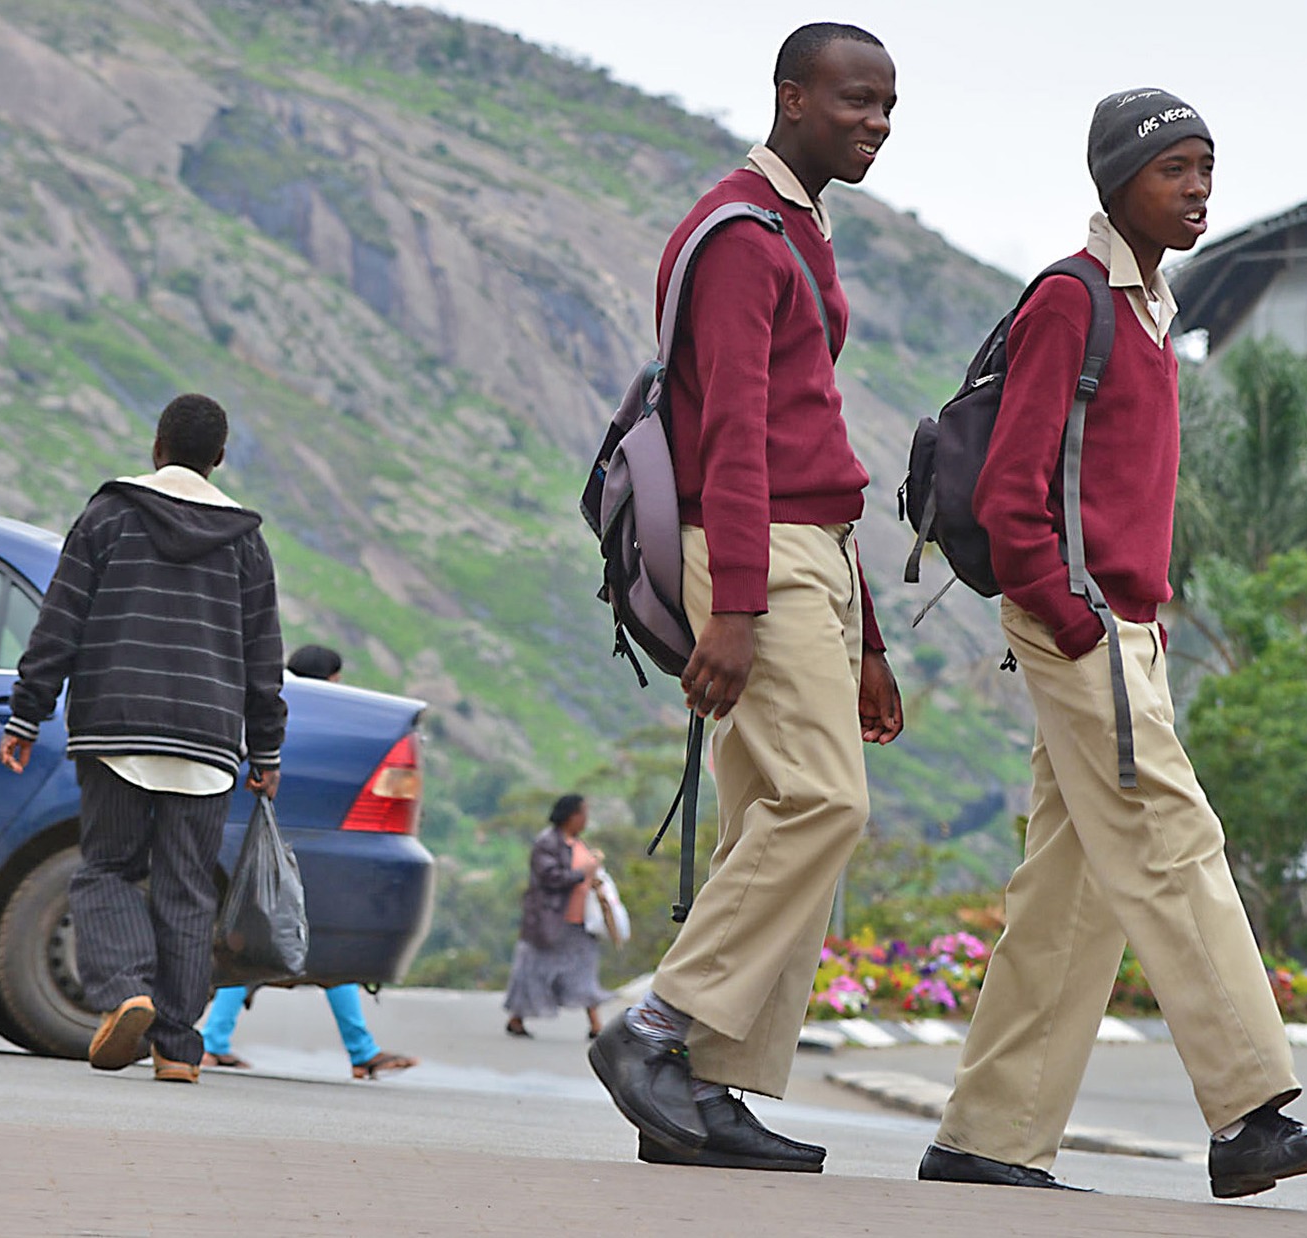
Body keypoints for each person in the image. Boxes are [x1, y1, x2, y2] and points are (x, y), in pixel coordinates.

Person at [920, 89, 1307, 1199]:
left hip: (1120, 625)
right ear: (1116, 181)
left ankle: (987, 1134)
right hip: (1083, 624)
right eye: (1176, 168)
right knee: (1175, 842)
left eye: (1208, 167)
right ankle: (1250, 1113)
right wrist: (1070, 615)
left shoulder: (1150, 307)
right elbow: (1014, 483)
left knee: (1071, 891)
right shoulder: (1074, 300)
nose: (1199, 188)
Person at [587, 22, 905, 1175]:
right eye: (852, 101)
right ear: (789, 99)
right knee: (825, 803)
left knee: (767, 819)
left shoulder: (797, 232)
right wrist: (731, 609)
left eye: (886, 106)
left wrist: (865, 633)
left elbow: (809, 439)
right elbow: (728, 427)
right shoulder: (738, 235)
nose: (872, 121)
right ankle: (654, 1027)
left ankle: (705, 1091)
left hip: (810, 550)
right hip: (755, 553)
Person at [0, 393, 287, 1086]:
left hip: (117, 726)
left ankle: (127, 985)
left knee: (106, 869)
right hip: (208, 740)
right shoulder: (245, 542)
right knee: (187, 890)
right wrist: (266, 749)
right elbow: (263, 654)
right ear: (217, 459)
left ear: (157, 448)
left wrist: (26, 712)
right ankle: (178, 1049)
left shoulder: (108, 517)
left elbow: (60, 619)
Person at [201, 644, 419, 1080]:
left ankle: (214, 1041)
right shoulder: (326, 721)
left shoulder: (274, 708)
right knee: (300, 944)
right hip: (301, 849)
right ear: (332, 680)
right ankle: (359, 1050)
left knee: (251, 940)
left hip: (262, 842)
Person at [503, 793, 612, 1041]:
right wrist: (583, 872)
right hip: (549, 921)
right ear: (570, 815)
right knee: (534, 970)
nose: (585, 819)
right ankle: (516, 1018)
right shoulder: (547, 843)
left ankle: (596, 1023)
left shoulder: (576, 843)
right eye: (582, 813)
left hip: (578, 921)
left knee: (584, 969)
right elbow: (550, 877)